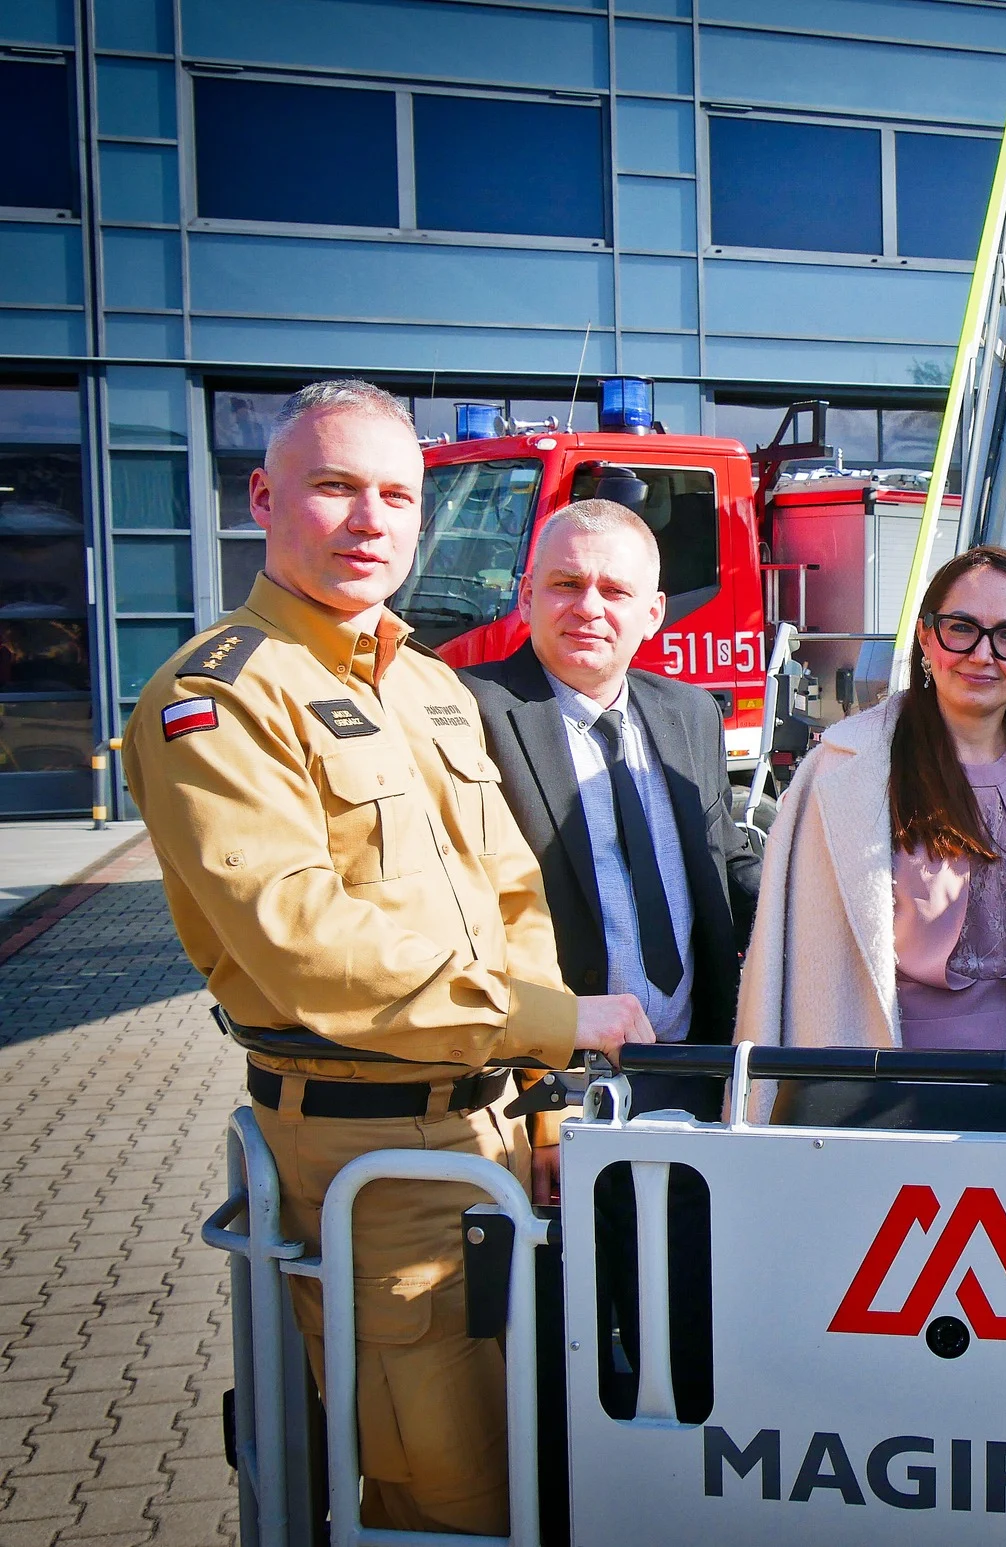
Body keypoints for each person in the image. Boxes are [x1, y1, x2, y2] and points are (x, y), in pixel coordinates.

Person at [125, 380, 652, 1536]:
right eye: (336, 487)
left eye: (398, 496)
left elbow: (513, 894)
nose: (371, 520)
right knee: (444, 1494)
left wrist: (547, 1101)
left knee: (542, 1456)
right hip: (372, 1154)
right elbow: (304, 942)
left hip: (501, 1135)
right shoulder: (214, 698)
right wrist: (558, 1022)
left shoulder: (426, 684)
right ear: (265, 497)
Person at [460, 499, 759, 1426]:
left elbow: (721, 867)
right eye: (565, 583)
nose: (589, 605)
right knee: (568, 1350)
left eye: (613, 588)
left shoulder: (690, 713)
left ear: (655, 612)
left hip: (689, 1074)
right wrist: (540, 1100)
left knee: (692, 1330)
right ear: (527, 594)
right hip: (555, 1090)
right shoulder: (471, 713)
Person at [735, 544, 1006, 1126]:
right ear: (927, 638)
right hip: (889, 1093)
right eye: (961, 629)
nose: (982, 655)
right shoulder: (844, 769)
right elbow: (795, 963)